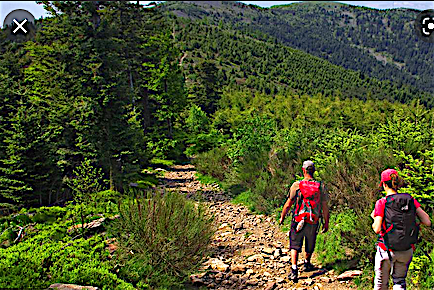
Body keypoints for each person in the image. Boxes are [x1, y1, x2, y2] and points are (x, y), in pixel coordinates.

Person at [371, 169, 431, 290]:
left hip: (386, 249)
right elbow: (427, 221)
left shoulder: (382, 202)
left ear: (383, 184)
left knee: (380, 284)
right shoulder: (409, 199)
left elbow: (377, 229)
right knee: (399, 282)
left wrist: (374, 219)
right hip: (406, 249)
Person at [279, 160, 329, 282]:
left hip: (298, 219)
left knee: (295, 244)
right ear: (314, 171)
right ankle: (307, 263)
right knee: (310, 241)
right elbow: (324, 207)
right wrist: (326, 222)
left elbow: (288, 203)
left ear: (303, 170)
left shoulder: (297, 185)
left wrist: (282, 216)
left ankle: (294, 269)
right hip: (313, 219)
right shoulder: (320, 186)